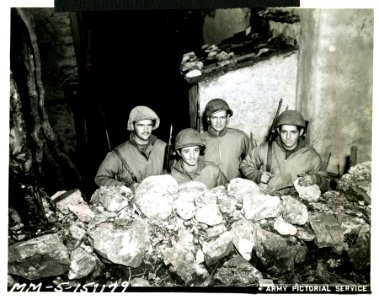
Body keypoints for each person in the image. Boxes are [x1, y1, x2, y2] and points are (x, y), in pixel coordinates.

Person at [240, 110, 329, 193]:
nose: (288, 137)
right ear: (278, 131)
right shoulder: (266, 149)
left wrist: (315, 179)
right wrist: (257, 176)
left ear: (301, 132)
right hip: (270, 197)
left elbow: (326, 183)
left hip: (297, 202)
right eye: (284, 132)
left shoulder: (311, 155)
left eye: (293, 132)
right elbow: (245, 165)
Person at [95, 105, 166, 191]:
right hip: (131, 201)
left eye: (149, 125)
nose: (146, 129)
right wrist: (126, 186)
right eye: (141, 125)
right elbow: (100, 179)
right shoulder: (119, 153)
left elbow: (177, 170)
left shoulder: (163, 147)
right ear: (132, 126)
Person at [201, 98, 251, 181]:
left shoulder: (240, 137)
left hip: (235, 187)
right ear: (208, 118)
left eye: (222, 117)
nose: (219, 122)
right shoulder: (200, 140)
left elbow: (254, 162)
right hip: (210, 189)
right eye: (214, 118)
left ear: (227, 117)